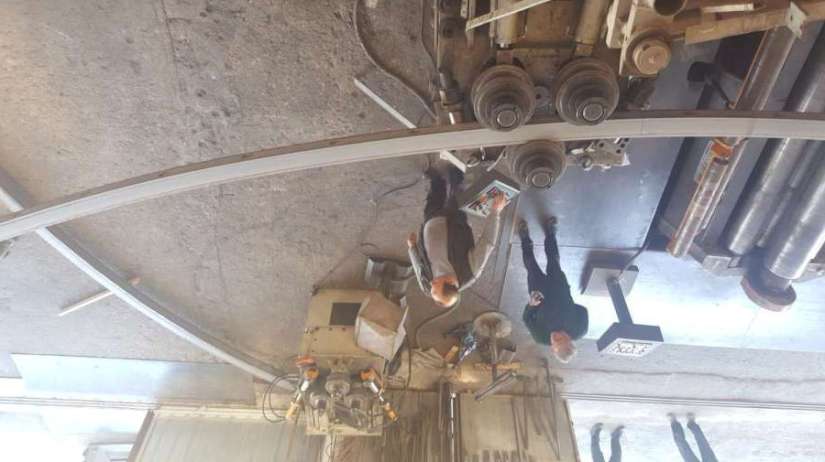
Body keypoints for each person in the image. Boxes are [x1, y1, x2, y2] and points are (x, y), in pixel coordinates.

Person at [407, 163, 506, 308]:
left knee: (433, 201)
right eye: (436, 284)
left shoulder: (429, 288)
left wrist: (412, 249)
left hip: (430, 223)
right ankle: (456, 172)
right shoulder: (470, 272)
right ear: (451, 282)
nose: (431, 282)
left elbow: (419, 271)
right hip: (454, 221)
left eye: (432, 289)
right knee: (456, 194)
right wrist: (495, 212)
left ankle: (437, 180)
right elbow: (488, 242)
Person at [518, 216, 588, 363]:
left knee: (530, 264)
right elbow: (583, 311)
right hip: (559, 287)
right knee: (553, 260)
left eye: (554, 342)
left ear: (553, 349)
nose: (554, 337)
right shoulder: (580, 329)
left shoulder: (540, 337)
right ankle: (550, 234)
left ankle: (525, 238)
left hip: (538, 293)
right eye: (560, 338)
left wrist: (532, 305)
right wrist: (567, 303)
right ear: (569, 339)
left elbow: (526, 319)